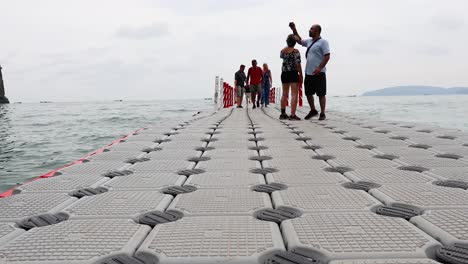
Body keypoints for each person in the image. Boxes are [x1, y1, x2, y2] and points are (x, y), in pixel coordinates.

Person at [290, 22, 330, 120]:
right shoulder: (309, 41)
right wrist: (294, 29)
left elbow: (327, 56)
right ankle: (313, 110)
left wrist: (320, 68)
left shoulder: (323, 42)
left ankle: (322, 113)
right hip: (308, 72)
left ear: (317, 31)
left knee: (321, 93)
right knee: (308, 93)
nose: (309, 30)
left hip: (319, 72)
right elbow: (299, 40)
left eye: (311, 29)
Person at [279, 34, 303, 120]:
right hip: (293, 73)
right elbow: (298, 64)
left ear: (287, 42)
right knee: (294, 93)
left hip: (284, 73)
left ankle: (283, 113)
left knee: (284, 93)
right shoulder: (296, 51)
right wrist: (301, 74)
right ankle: (292, 114)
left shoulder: (283, 51)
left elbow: (282, 55)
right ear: (295, 42)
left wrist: (288, 44)